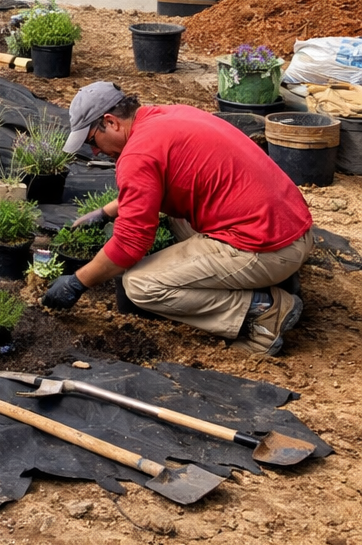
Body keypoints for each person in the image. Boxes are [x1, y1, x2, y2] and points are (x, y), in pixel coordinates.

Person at [41, 81, 314, 357]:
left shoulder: (137, 154)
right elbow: (152, 188)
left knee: (140, 285)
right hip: (291, 228)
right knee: (175, 220)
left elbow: (130, 243)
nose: (96, 153)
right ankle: (277, 279)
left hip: (267, 246)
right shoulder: (166, 116)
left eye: (92, 142)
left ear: (110, 122)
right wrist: (107, 212)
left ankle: (266, 310)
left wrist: (78, 282)